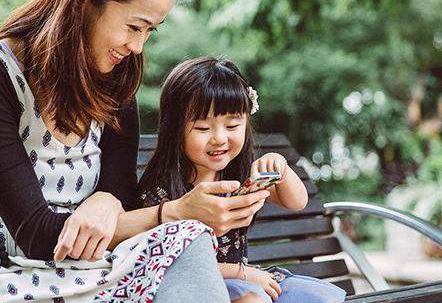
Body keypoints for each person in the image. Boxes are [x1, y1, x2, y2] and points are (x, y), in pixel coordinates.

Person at [0, 0, 269, 302]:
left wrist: (107, 199)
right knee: (183, 228)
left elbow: (120, 191)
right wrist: (173, 213)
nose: (138, 46)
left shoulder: (114, 76)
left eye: (150, 31)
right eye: (134, 26)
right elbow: (37, 234)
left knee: (188, 241)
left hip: (87, 266)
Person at [138, 57, 347, 303]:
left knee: (317, 298)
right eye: (203, 128)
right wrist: (244, 273)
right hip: (198, 289)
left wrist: (279, 168)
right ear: (175, 129)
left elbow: (297, 202)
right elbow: (164, 266)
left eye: (232, 125)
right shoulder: (161, 194)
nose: (219, 138)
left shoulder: (242, 176)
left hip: (247, 280)